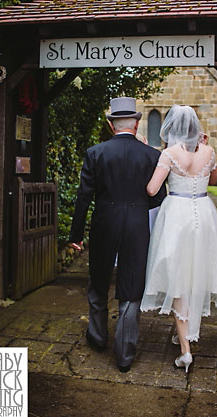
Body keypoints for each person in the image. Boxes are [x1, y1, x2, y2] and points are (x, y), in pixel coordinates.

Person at [69, 96, 165, 373]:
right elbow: (158, 198)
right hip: (137, 224)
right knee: (131, 286)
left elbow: (84, 197)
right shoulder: (152, 155)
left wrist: (76, 234)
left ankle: (98, 337)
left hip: (104, 222)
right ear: (136, 124)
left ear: (112, 125)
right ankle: (124, 355)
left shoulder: (95, 153)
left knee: (98, 279)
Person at [141, 105, 217, 372]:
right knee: (195, 271)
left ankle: (185, 351)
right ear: (196, 129)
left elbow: (152, 188)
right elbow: (214, 178)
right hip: (204, 213)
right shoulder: (209, 152)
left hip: (177, 215)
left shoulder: (169, 154)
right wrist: (205, 150)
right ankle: (182, 333)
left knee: (178, 275)